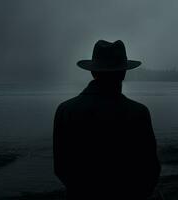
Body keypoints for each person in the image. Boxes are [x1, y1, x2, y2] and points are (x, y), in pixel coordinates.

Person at [53, 40, 161, 199]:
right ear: (124, 72)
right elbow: (150, 170)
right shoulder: (138, 113)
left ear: (92, 72)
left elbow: (61, 168)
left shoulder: (65, 110)